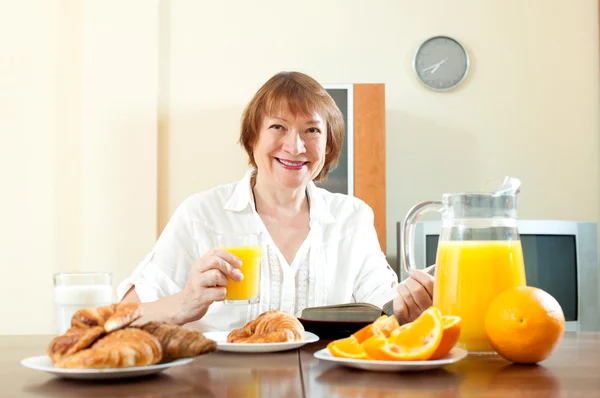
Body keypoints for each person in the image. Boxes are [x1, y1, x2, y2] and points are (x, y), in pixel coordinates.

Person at [118, 71, 434, 331]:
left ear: (327, 147)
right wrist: (187, 301)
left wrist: (411, 307)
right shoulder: (202, 214)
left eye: (311, 130)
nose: (295, 146)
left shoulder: (352, 217)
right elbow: (122, 317)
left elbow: (385, 310)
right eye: (278, 127)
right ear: (253, 137)